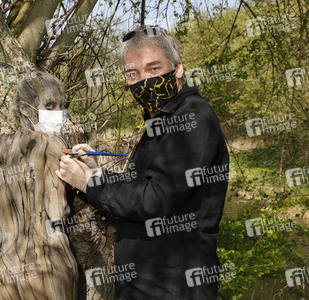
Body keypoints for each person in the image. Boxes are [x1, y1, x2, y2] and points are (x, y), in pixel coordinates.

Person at [56, 26, 229, 299]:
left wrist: (89, 184)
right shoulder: (162, 119)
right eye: (132, 73)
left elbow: (154, 200)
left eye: (154, 68)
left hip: (175, 285)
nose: (143, 80)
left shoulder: (193, 117)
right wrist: (96, 171)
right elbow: (144, 185)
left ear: (178, 69)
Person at [0, 71, 78, 300]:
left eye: (62, 106)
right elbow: (58, 210)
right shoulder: (55, 144)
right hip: (49, 266)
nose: (59, 114)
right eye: (50, 106)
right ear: (25, 109)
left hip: (2, 269)